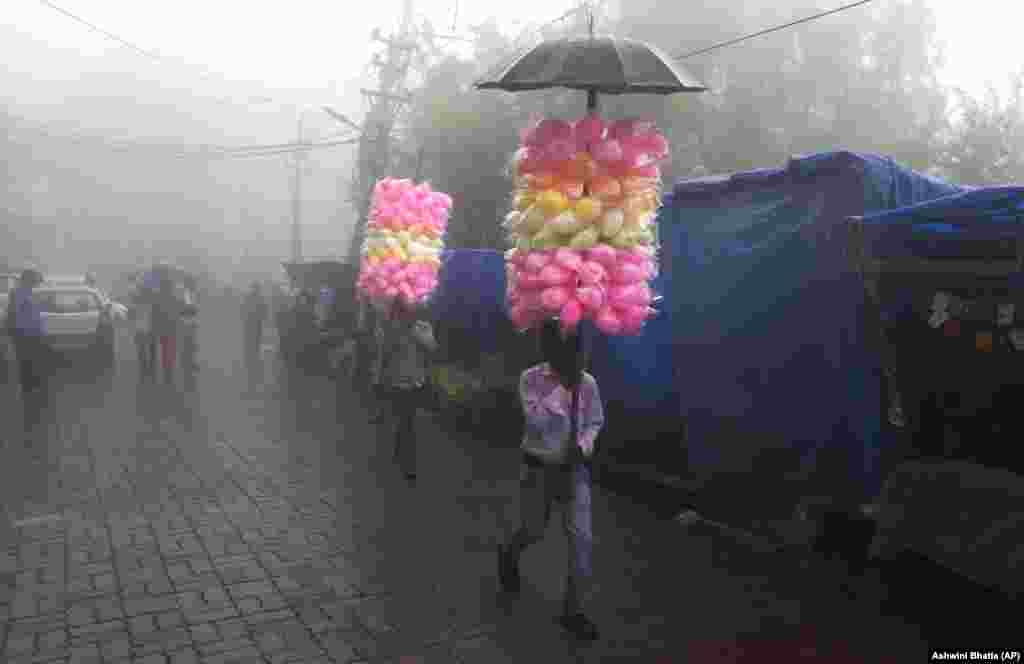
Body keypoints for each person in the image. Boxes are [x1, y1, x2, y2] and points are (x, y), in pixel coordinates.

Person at [497, 318, 605, 641]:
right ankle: (509, 553)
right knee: (533, 530)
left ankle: (574, 611)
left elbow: (595, 421)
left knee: (580, 540)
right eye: (557, 347)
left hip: (574, 472)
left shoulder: (588, 383)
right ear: (547, 349)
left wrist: (584, 446)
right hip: (538, 469)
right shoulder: (530, 379)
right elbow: (537, 422)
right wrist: (564, 388)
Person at [376, 299, 438, 482]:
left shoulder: (420, 327)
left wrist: (423, 334)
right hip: (397, 383)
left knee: (405, 420)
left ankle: (400, 454)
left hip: (415, 383)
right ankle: (408, 462)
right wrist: (379, 380)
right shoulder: (390, 329)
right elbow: (383, 356)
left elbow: (433, 348)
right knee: (406, 421)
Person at [4, 269, 47, 394]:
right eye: (34, 281)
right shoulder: (18, 293)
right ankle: (28, 387)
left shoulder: (27, 292)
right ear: (28, 281)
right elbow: (16, 314)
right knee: (26, 360)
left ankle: (32, 385)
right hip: (24, 334)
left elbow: (33, 313)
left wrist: (40, 329)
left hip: (31, 333)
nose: (36, 284)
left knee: (32, 360)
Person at [151, 278, 183, 383]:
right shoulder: (176, 299)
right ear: (171, 287)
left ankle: (165, 368)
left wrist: (154, 328)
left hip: (161, 329)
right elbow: (180, 313)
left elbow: (154, 315)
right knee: (170, 350)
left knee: (164, 349)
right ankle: (168, 369)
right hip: (172, 329)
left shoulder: (156, 299)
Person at [132, 286, 156, 379]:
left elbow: (132, 315)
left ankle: (143, 369)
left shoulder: (136, 302)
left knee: (141, 351)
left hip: (139, 330)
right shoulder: (151, 302)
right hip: (149, 329)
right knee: (150, 350)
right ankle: (151, 368)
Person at [242, 283, 268, 363]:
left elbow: (243, 309)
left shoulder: (249, 297)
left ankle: (250, 357)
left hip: (251, 323)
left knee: (251, 340)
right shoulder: (259, 298)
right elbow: (264, 311)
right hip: (255, 323)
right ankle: (253, 357)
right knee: (254, 340)